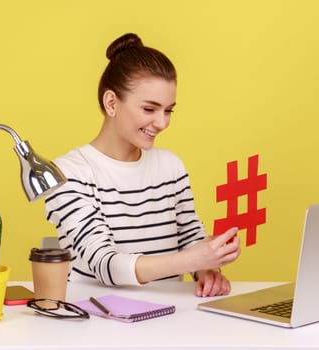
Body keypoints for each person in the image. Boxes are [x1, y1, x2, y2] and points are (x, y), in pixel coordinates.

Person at [45, 33, 241, 297]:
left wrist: (207, 268)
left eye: (169, 110)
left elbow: (190, 237)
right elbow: (105, 263)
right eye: (150, 109)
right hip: (97, 317)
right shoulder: (69, 174)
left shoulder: (170, 166)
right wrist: (191, 260)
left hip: (171, 315)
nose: (162, 123)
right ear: (111, 103)